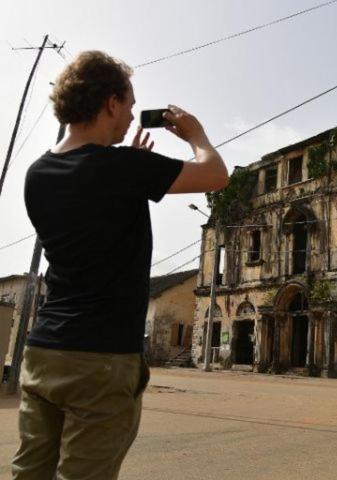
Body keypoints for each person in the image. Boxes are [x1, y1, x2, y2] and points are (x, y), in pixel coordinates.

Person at [12, 50, 229, 479]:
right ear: (110, 102)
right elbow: (216, 174)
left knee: (29, 472)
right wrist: (196, 134)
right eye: (129, 104)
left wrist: (131, 166)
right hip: (102, 357)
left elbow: (94, 201)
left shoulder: (38, 172)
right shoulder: (124, 168)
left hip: (44, 352)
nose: (132, 114)